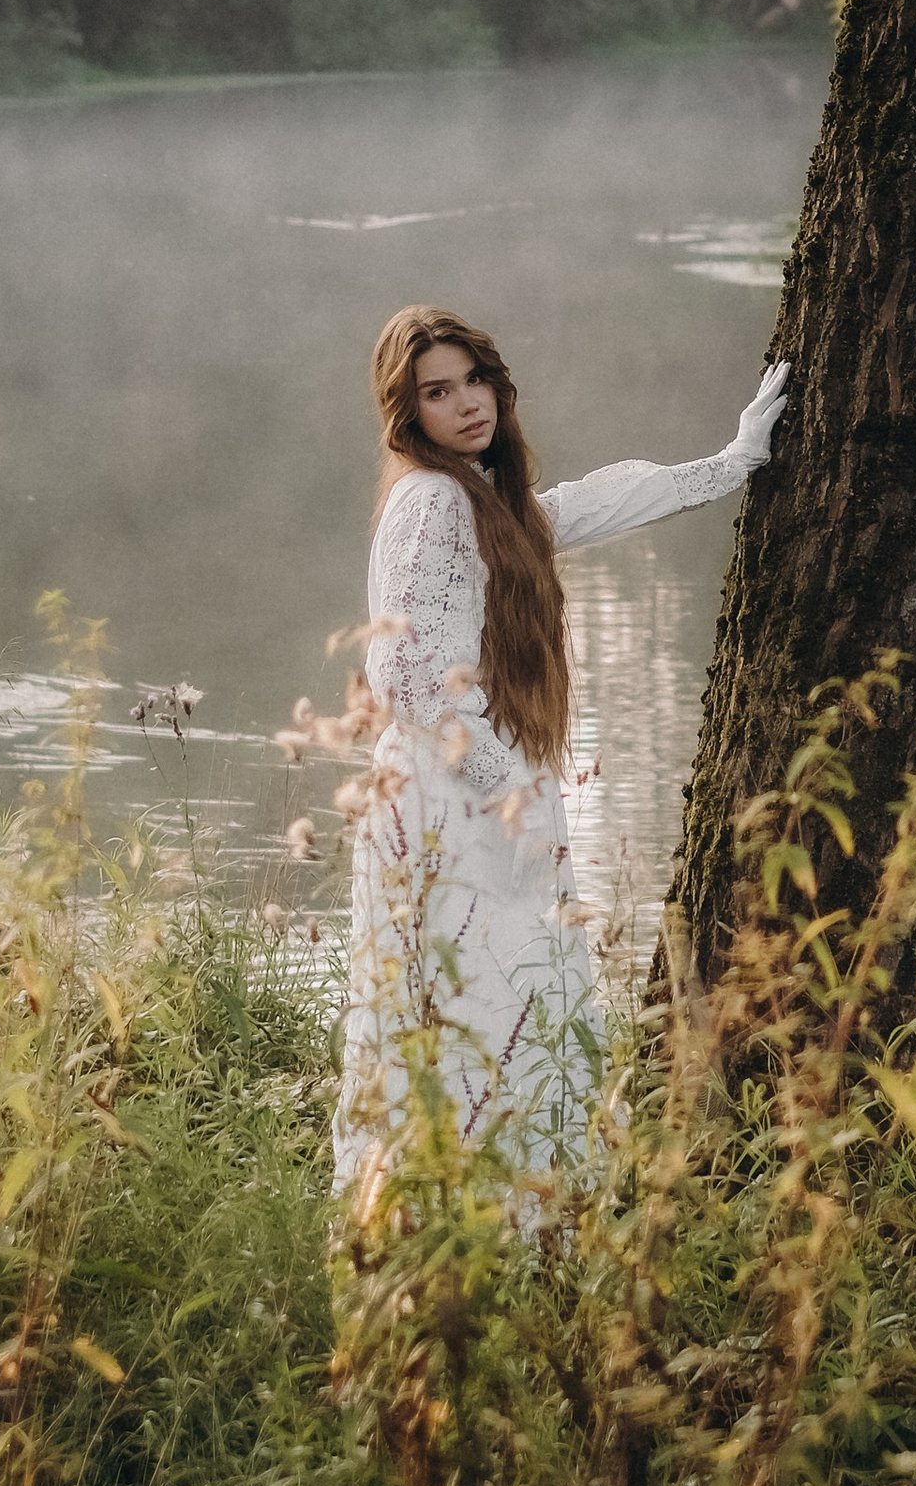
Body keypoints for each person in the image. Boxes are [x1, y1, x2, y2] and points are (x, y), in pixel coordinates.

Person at [331, 301, 788, 1208]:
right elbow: (409, 674)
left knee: (503, 1011)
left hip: (475, 796)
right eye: (437, 391)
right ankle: (457, 1228)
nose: (467, 404)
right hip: (448, 808)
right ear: (406, 412)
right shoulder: (431, 500)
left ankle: (502, 1228)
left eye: (475, 382)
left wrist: (733, 462)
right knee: (475, 1013)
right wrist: (512, 791)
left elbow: (583, 504)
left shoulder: (485, 502)